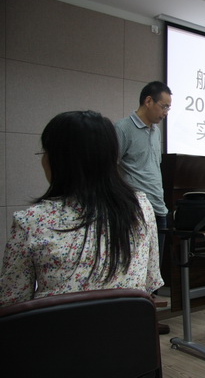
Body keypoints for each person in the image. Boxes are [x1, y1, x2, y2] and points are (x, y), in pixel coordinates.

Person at [0, 111, 163, 308]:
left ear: (58, 160)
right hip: (127, 326)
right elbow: (149, 281)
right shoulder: (141, 208)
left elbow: (12, 303)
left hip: (59, 328)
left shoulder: (31, 221)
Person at [115, 81, 172, 334]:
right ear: (148, 101)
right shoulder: (122, 129)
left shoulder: (155, 131)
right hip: (135, 208)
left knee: (153, 267)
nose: (165, 112)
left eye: (169, 108)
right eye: (163, 106)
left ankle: (148, 318)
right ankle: (131, 319)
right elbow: (111, 168)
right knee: (134, 266)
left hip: (158, 206)